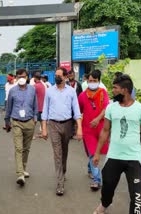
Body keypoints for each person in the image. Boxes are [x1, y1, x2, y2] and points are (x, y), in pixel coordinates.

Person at [92, 74, 141, 214]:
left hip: (134, 158)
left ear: (124, 90)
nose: (112, 90)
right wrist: (97, 153)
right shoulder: (111, 108)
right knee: (107, 188)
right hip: (114, 156)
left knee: (137, 196)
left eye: (115, 88)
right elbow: (105, 130)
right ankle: (104, 205)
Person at [41, 67, 82, 196]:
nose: (57, 77)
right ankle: (60, 183)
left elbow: (76, 110)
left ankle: (63, 171)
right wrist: (44, 128)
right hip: (53, 125)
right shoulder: (49, 91)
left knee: (64, 151)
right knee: (57, 154)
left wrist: (79, 127)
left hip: (67, 124)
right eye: (56, 75)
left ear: (65, 77)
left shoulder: (71, 92)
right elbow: (45, 110)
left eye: (59, 75)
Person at [4, 68, 38, 187]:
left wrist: (35, 117)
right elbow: (9, 107)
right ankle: (20, 174)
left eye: (23, 76)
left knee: (26, 148)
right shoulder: (12, 91)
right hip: (16, 122)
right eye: (19, 77)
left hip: (29, 122)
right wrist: (7, 121)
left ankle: (23, 168)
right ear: (16, 78)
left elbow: (35, 105)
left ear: (27, 77)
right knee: (19, 148)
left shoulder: (32, 90)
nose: (21, 79)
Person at [78, 70, 109, 191]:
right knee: (92, 153)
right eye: (90, 81)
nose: (92, 83)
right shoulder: (82, 96)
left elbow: (106, 107)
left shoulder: (103, 93)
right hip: (88, 129)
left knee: (97, 152)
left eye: (94, 81)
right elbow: (78, 111)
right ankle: (97, 180)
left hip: (101, 128)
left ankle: (90, 168)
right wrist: (78, 128)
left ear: (99, 81)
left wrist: (98, 118)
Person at [33, 71, 46, 138]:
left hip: (37, 107)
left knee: (34, 121)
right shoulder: (42, 85)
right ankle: (43, 133)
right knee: (41, 121)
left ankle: (31, 135)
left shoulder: (35, 86)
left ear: (35, 78)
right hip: (42, 106)